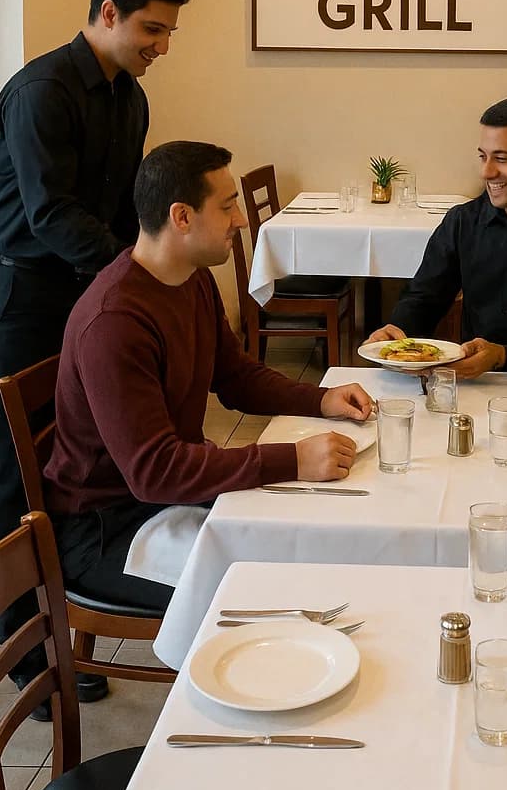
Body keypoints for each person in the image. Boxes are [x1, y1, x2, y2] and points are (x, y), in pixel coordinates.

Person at [0, 0, 191, 699]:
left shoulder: (128, 98)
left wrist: (140, 264)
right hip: (25, 286)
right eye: (151, 29)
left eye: (168, 32)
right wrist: (131, 276)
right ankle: (18, 634)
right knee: (17, 461)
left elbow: (121, 210)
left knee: (82, 445)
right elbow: (51, 215)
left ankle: (81, 576)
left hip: (86, 282)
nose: (161, 46)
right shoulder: (42, 90)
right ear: (107, 13)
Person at [43, 142, 374, 600]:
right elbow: (155, 472)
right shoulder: (114, 322)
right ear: (182, 217)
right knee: (272, 587)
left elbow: (235, 377)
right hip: (107, 529)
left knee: (315, 528)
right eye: (227, 207)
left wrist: (319, 398)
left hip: (162, 497)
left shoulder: (191, 278)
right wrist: (293, 458)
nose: (240, 221)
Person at [367, 97, 507, 378]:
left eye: (501, 158)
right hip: (479, 383)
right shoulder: (463, 221)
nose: (486, 172)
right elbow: (425, 297)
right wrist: (396, 334)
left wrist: (505, 354)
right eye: (483, 156)